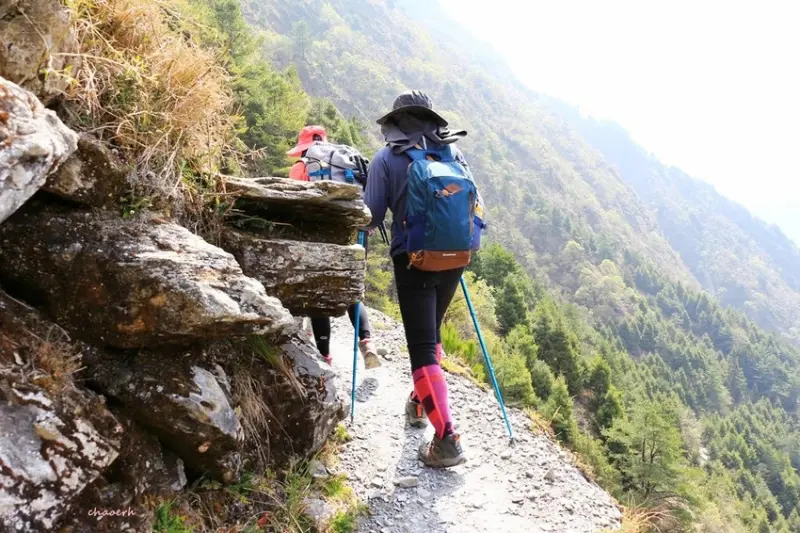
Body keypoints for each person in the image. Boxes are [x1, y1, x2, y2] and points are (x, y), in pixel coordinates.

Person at [364, 90, 474, 468]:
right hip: (456, 256)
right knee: (435, 332)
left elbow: (372, 215)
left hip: (413, 259)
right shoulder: (452, 153)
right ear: (430, 119)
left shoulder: (386, 158)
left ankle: (446, 439)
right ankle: (418, 401)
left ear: (395, 121)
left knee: (422, 347)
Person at [287, 126, 381, 369]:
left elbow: (294, 204)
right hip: (355, 230)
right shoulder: (346, 163)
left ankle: (325, 357)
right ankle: (367, 341)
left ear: (304, 146)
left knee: (319, 292)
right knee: (352, 288)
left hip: (322, 231)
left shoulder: (301, 167)